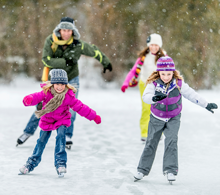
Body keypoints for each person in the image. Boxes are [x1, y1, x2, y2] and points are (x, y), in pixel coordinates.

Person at [16, 17, 112, 149]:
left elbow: (94, 51)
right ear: (59, 30)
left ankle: (67, 135)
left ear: (73, 31)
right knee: (43, 107)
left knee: (72, 107)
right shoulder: (50, 41)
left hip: (71, 79)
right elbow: (46, 59)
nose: (66, 33)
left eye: (69, 30)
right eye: (64, 30)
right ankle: (27, 132)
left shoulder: (78, 44)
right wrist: (64, 62)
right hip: (53, 80)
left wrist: (106, 62)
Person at [133, 56, 218, 183]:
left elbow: (191, 94)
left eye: (169, 73)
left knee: (172, 141)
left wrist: (206, 104)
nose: (166, 77)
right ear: (158, 73)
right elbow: (146, 96)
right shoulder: (154, 83)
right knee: (151, 142)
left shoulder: (178, 84)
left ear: (173, 72)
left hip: (173, 117)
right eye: (163, 74)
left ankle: (170, 170)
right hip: (156, 118)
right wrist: (154, 98)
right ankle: (142, 170)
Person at [19, 69, 101, 177]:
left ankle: (60, 163)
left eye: (62, 84)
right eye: (57, 83)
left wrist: (93, 116)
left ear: (66, 84)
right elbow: (36, 96)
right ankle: (30, 163)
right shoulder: (46, 92)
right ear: (53, 84)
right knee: (41, 142)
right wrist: (29, 99)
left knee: (61, 137)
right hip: (47, 119)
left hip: (62, 119)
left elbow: (81, 107)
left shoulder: (68, 96)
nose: (60, 87)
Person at [121, 33, 165, 142]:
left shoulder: (164, 57)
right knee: (146, 109)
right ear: (148, 45)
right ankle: (145, 133)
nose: (153, 47)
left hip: (159, 85)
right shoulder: (143, 57)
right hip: (145, 84)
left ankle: (158, 133)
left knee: (159, 109)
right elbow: (133, 70)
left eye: (156, 45)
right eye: (151, 45)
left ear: (159, 46)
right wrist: (126, 83)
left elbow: (170, 72)